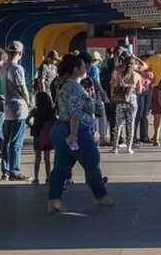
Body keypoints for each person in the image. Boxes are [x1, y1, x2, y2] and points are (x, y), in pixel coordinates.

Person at [47, 54, 113, 213]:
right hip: (75, 130)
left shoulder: (63, 84)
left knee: (61, 167)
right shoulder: (74, 87)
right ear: (76, 69)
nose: (86, 69)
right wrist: (74, 134)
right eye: (83, 66)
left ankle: (54, 200)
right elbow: (75, 113)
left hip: (60, 128)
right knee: (91, 161)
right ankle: (100, 196)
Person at [0, 41, 32, 182]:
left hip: (7, 108)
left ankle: (5, 171)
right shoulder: (17, 68)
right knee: (16, 142)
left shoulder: (3, 67)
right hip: (19, 107)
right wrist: (29, 102)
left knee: (6, 141)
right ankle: (15, 171)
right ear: (20, 53)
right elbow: (22, 88)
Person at [111, 55, 142, 154]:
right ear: (133, 65)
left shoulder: (118, 74)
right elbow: (139, 90)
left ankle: (115, 147)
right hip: (132, 101)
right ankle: (129, 147)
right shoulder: (137, 75)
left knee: (118, 124)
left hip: (120, 101)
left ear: (124, 64)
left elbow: (113, 85)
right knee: (130, 124)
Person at [29, 92, 55, 185]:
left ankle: (36, 178)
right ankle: (48, 177)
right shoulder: (51, 111)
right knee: (47, 158)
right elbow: (54, 121)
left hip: (37, 134)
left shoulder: (35, 111)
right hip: (47, 135)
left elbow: (27, 120)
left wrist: (32, 126)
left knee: (37, 158)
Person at [135, 57, 153, 145]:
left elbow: (151, 81)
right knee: (138, 114)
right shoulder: (137, 69)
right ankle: (133, 137)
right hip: (139, 93)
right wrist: (136, 58)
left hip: (146, 93)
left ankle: (144, 136)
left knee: (145, 115)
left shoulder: (146, 70)